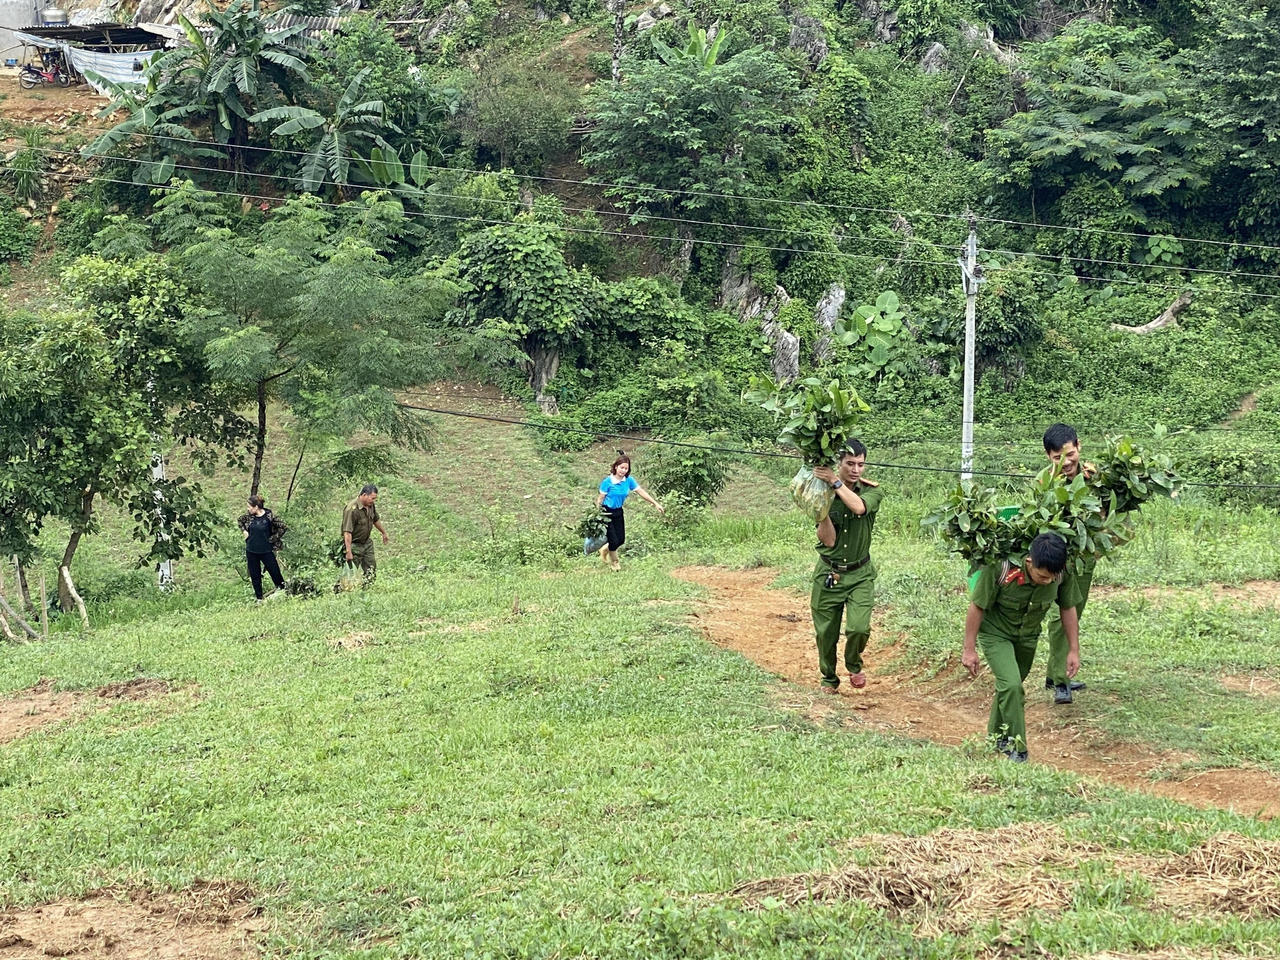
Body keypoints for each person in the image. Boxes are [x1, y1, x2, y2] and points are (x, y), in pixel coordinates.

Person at [963, 533, 1081, 762]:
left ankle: (995, 736)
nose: (1048, 581)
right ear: (1029, 562)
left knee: (1009, 688)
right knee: (1012, 686)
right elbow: (977, 606)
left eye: (1051, 578)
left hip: (1028, 636)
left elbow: (1068, 608)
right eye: (1042, 576)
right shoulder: (1000, 568)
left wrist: (1073, 650)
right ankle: (1018, 747)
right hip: (996, 634)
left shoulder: (1061, 573)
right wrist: (969, 649)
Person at [811, 440, 883, 694]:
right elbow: (828, 539)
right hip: (829, 573)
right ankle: (829, 679)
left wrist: (834, 482)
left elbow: (859, 508)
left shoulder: (872, 491)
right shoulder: (822, 492)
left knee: (859, 628)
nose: (856, 470)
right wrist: (823, 504)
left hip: (860, 574)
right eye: (850, 464)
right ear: (838, 463)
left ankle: (854, 663)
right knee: (825, 633)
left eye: (860, 464)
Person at [1042, 422, 1094, 705]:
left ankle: (1054, 673)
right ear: (1049, 457)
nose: (1067, 462)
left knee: (1073, 613)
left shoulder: (1093, 477)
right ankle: (1061, 680)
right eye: (1058, 458)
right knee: (1062, 615)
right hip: (1056, 561)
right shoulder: (1044, 482)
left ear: (1078, 446)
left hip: (1083, 561)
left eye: (1071, 453)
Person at [594, 454, 663, 571]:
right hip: (606, 512)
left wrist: (655, 503)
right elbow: (600, 498)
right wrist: (597, 513)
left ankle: (605, 549)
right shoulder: (607, 482)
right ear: (616, 467)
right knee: (613, 540)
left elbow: (641, 491)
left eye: (626, 468)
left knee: (621, 539)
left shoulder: (629, 481)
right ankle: (615, 563)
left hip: (618, 512)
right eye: (621, 467)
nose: (623, 470)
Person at [238, 494, 287, 601]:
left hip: (266, 551)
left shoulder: (269, 516)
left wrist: (273, 539)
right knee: (255, 576)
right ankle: (259, 598)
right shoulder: (248, 517)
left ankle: (284, 591)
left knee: (275, 572)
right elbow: (240, 521)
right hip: (251, 551)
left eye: (249, 507)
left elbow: (283, 527)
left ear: (256, 507)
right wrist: (244, 531)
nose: (248, 509)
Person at [342, 484, 390, 582]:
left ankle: (368, 592)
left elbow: (375, 519)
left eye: (375, 499)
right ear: (364, 495)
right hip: (354, 545)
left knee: (371, 570)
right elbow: (347, 532)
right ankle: (339, 593)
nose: (373, 501)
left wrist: (383, 533)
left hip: (367, 543)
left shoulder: (370, 505)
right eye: (372, 498)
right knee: (349, 573)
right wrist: (348, 551)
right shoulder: (352, 509)